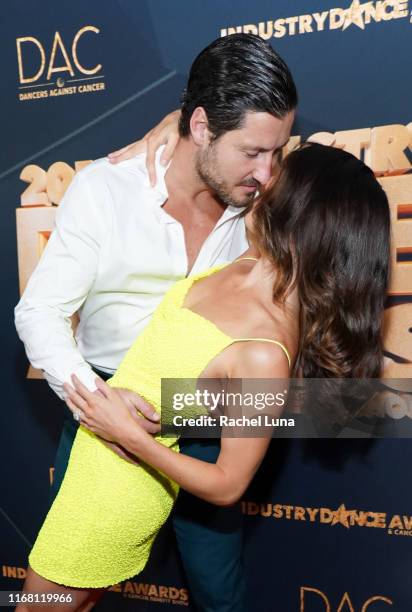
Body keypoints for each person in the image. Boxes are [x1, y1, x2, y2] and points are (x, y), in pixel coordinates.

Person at [17, 142, 391, 612]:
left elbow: (229, 483)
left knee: (33, 604)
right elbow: (204, 390)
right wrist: (158, 417)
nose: (264, 179)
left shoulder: (265, 354)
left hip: (120, 485)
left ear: (305, 213)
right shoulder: (246, 262)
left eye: (280, 176)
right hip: (101, 459)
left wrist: (132, 435)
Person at [15, 33, 297, 612]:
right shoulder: (107, 190)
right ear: (200, 126)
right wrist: (99, 402)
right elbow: (39, 311)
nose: (268, 173)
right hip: (109, 411)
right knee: (62, 596)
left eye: (278, 151)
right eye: (251, 152)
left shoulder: (265, 205)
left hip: (205, 414)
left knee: (221, 595)